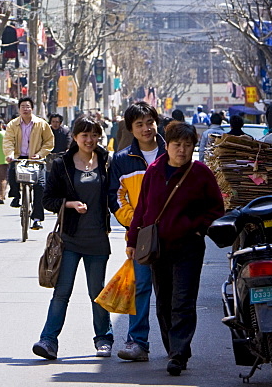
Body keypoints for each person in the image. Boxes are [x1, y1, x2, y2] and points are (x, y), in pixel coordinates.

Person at [127, 120, 224, 377]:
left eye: (188, 145)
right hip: (159, 248)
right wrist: (132, 240)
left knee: (183, 301)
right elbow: (142, 210)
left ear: (193, 147)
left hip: (188, 247)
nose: (182, 150)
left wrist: (198, 227)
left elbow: (216, 209)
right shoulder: (155, 170)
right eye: (177, 144)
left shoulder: (201, 173)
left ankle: (178, 355)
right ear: (167, 146)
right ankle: (174, 347)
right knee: (164, 302)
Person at [33, 116, 114, 362]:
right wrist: (68, 204)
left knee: (97, 292)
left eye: (94, 135)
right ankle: (48, 340)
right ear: (75, 137)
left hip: (98, 238)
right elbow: (48, 200)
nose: (89, 140)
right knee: (61, 292)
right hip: (69, 238)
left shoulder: (107, 162)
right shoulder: (62, 164)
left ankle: (104, 338)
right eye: (84, 135)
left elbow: (116, 194)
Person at [108, 102, 165, 363]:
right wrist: (136, 224)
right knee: (141, 287)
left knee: (174, 291)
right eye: (139, 124)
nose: (146, 128)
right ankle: (137, 342)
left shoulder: (172, 151)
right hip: (141, 235)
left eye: (149, 122)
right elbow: (116, 198)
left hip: (173, 233)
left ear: (157, 122)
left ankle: (176, 346)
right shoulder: (121, 160)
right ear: (131, 129)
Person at [3, 97, 54, 229]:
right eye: (23, 107)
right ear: (19, 109)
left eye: (28, 106)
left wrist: (40, 154)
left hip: (36, 159)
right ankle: (16, 196)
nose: (25, 109)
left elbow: (49, 141)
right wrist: (9, 155)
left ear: (32, 108)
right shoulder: (12, 125)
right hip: (19, 158)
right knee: (12, 174)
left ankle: (37, 218)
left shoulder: (41, 124)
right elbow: (8, 141)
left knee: (40, 186)